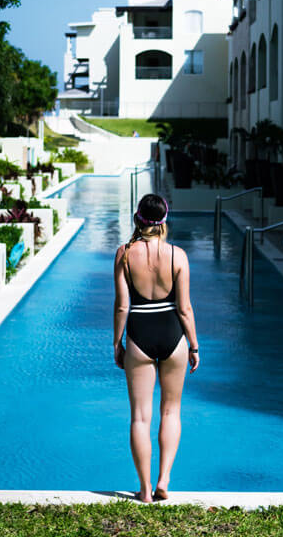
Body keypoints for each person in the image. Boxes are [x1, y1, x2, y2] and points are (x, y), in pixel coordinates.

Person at [113, 193, 199, 502]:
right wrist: (194, 345)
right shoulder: (178, 256)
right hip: (173, 334)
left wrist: (117, 343)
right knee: (171, 411)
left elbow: (123, 306)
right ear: (164, 220)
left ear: (137, 218)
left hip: (139, 334)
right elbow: (185, 308)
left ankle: (145, 490)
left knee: (139, 417)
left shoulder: (124, 254)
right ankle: (164, 480)